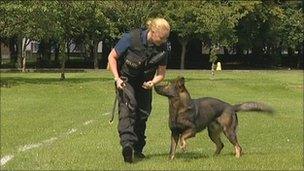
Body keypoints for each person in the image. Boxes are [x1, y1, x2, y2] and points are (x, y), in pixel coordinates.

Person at [107, 18, 170, 163]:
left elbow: (161, 74)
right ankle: (127, 145)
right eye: (162, 37)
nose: (164, 40)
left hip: (145, 84)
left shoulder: (164, 47)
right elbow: (112, 56)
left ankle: (138, 148)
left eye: (166, 37)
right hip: (126, 80)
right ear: (152, 31)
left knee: (142, 115)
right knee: (128, 110)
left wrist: (152, 82)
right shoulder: (131, 38)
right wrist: (117, 79)